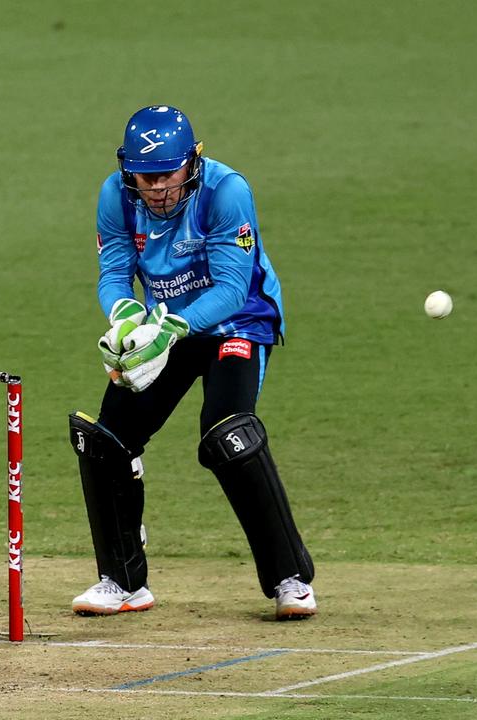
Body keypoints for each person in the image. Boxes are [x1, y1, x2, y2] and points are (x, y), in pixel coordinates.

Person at [67, 105, 316, 620]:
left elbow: (230, 288)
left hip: (236, 322)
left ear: (192, 162)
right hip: (162, 323)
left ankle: (289, 580)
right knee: (107, 440)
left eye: (166, 174)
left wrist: (169, 329)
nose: (156, 187)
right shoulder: (116, 195)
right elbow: (114, 271)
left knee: (229, 434)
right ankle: (123, 581)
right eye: (145, 175)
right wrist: (127, 317)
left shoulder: (227, 192)